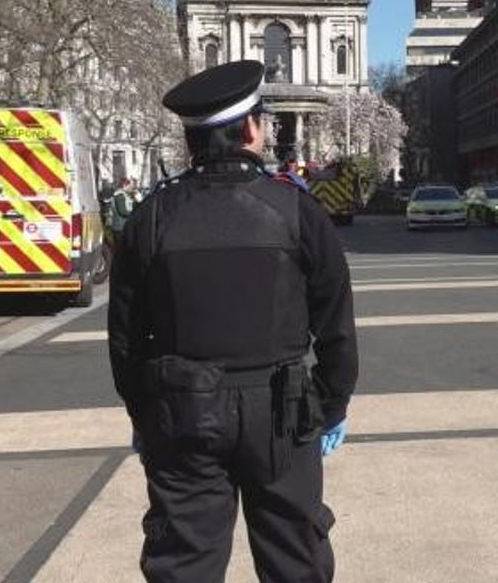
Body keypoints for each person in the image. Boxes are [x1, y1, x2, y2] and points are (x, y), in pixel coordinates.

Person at [109, 60, 358, 582]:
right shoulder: (297, 211)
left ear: (191, 139)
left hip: (180, 408)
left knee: (184, 563)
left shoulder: (151, 217)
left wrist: (144, 413)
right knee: (295, 560)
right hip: (282, 411)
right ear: (251, 128)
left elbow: (125, 337)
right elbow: (336, 325)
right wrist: (328, 407)